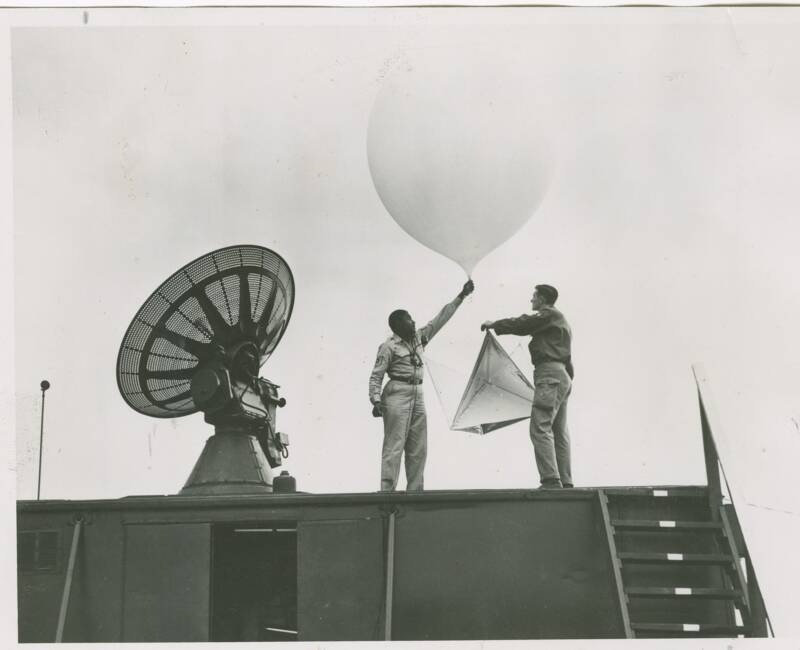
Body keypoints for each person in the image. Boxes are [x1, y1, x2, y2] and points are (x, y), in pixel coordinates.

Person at [369, 279, 475, 491]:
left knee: (418, 446)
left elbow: (440, 319)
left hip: (418, 392)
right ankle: (386, 492)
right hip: (397, 392)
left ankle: (415, 491)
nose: (413, 321)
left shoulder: (419, 338)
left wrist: (461, 296)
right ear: (398, 324)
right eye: (408, 319)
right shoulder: (389, 346)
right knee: (394, 444)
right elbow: (376, 375)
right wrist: (376, 400)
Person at [481, 284, 573, 489]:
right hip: (562, 376)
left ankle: (550, 479)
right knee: (558, 430)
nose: (531, 300)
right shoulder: (559, 320)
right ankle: (565, 481)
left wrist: (495, 324)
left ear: (542, 299)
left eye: (534, 297)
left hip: (549, 374)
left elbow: (524, 323)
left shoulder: (548, 314)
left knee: (540, 426)